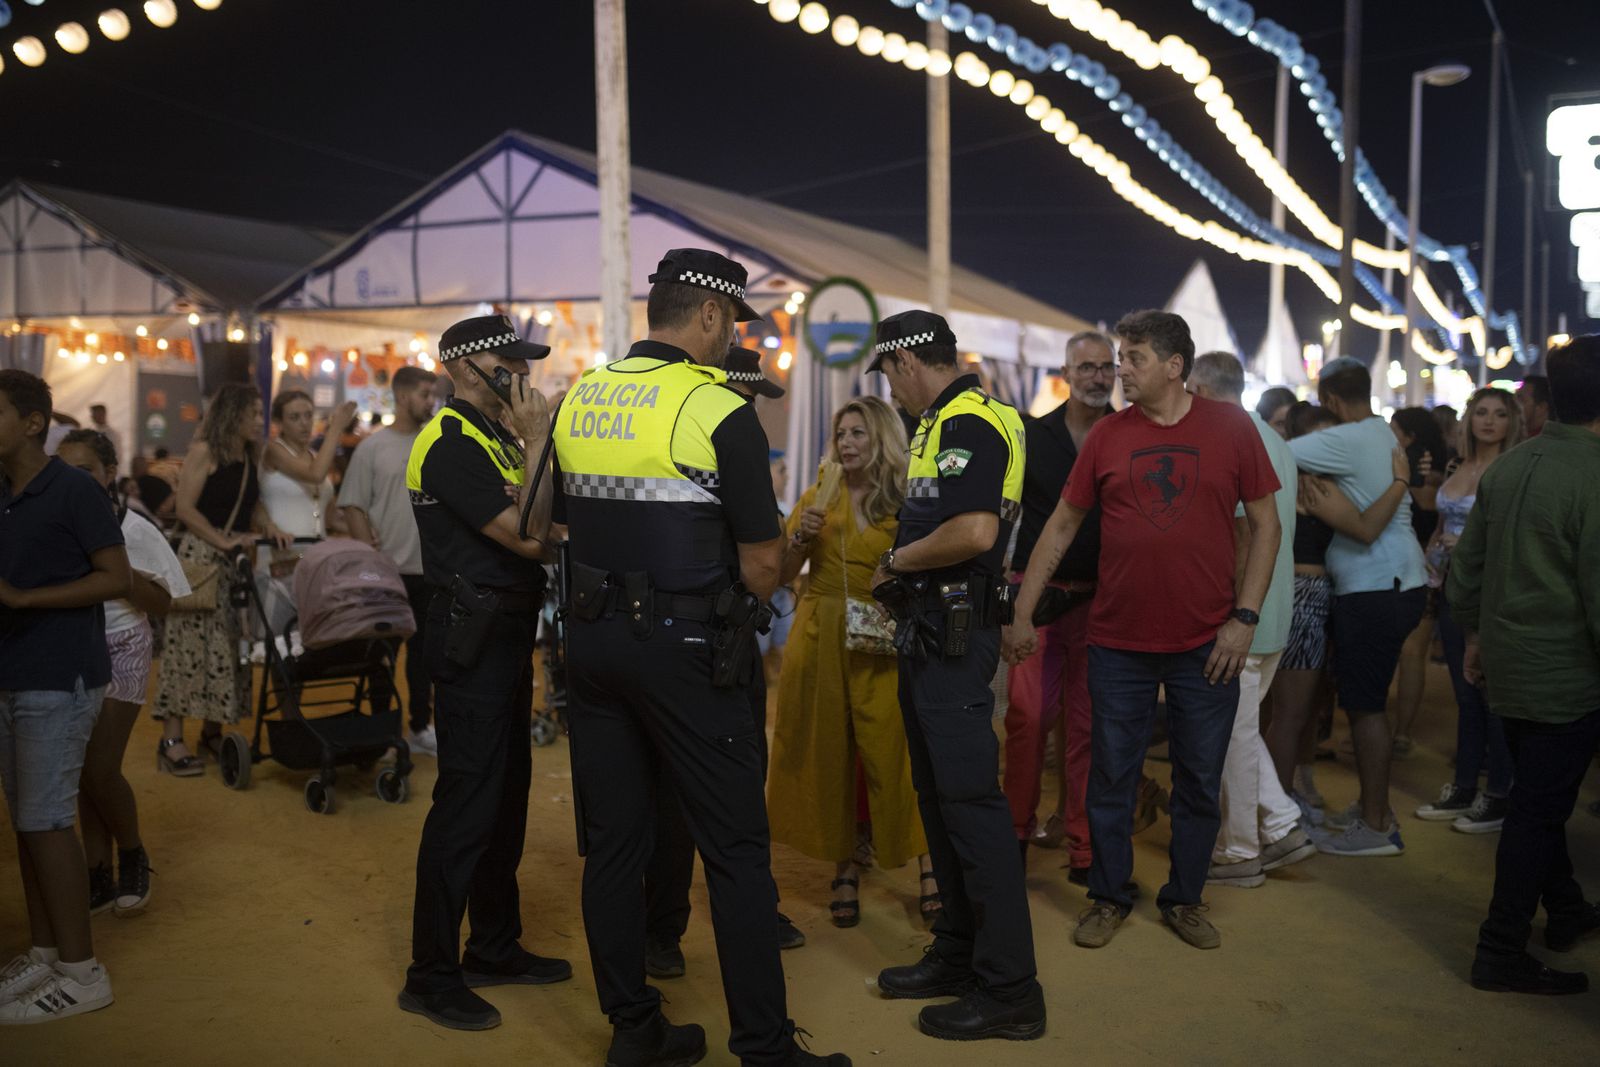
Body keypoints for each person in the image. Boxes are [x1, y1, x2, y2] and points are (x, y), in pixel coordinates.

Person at [551, 250, 847, 1067]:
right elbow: (760, 565)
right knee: (736, 849)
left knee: (615, 844)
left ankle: (634, 1029)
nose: (730, 342)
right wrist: (789, 559)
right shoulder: (716, 408)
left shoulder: (583, 394)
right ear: (711, 316)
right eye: (733, 325)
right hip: (684, 650)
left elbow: (546, 518)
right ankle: (764, 1045)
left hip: (593, 642)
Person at [1008, 311, 1281, 953]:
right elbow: (1062, 525)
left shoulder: (1232, 428)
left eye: (1131, 358)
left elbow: (1266, 527)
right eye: (1117, 359)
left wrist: (1244, 620)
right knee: (1111, 776)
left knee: (1197, 776)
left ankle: (1184, 899)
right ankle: (1108, 895)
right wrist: (1024, 608)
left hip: (1206, 642)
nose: (1119, 370)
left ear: (1174, 366)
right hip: (1117, 642)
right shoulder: (1108, 437)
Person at [866, 309, 1044, 1042]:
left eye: (889, 374)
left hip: (952, 633)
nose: (893, 391)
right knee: (941, 797)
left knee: (969, 803)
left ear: (909, 362)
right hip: (937, 631)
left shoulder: (967, 418)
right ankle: (961, 952)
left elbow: (975, 532)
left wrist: (896, 561)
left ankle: (1009, 989)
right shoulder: (950, 420)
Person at [398, 314, 573, 1031]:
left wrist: (538, 453)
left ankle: (494, 945)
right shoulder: (448, 442)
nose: (522, 374)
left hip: (505, 637)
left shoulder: (494, 436)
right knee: (467, 806)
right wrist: (539, 440)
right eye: (510, 362)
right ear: (465, 367)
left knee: (505, 800)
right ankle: (431, 973)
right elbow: (531, 537)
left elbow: (548, 519)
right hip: (468, 637)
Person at [644, 346, 806, 979]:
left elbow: (765, 553)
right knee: (676, 793)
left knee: (742, 783)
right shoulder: (697, 444)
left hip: (731, 642)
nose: (752, 410)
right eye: (747, 397)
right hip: (694, 640)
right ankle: (661, 927)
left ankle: (753, 908)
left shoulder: (734, 452)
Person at [1450, 335, 1600, 996]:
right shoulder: (1594, 477)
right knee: (1537, 810)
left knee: (1540, 798)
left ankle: (1565, 908)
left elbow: (1464, 576)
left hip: (1509, 667)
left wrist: (1477, 636)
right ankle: (1500, 947)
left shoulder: (1508, 469)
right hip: (1568, 674)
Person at [766, 395, 933, 931]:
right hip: (821, 633)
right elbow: (780, 572)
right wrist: (800, 536)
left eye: (858, 433)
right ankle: (844, 868)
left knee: (896, 749)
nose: (847, 444)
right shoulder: (819, 496)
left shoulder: (905, 501)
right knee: (829, 749)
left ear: (881, 438)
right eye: (841, 435)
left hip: (882, 637)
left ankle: (929, 863)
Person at [0, 369, 129, 1023]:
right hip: (14, 671)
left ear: (30, 422)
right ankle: (47, 951)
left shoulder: (74, 489)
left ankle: (82, 972)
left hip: (62, 675)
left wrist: (26, 598)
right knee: (29, 820)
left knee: (48, 821)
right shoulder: (5, 491)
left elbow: (117, 576)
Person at [1287, 356, 1428, 856]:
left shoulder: (1344, 439)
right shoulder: (1384, 436)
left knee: (1365, 709)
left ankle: (1375, 825)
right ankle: (1377, 810)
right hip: (1398, 580)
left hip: (1376, 587)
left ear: (1327, 399)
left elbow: (1271, 453)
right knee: (1367, 704)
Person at [1003, 330, 1128, 885]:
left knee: (1087, 726)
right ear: (1067, 373)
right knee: (1028, 720)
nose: (1098, 377)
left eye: (1107, 367)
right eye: (1088, 368)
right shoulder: (1033, 436)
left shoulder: (1129, 436)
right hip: (1037, 595)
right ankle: (1015, 836)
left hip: (1102, 600)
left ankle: (1083, 846)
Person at [1188, 353, 1316, 887]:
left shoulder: (1232, 436)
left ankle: (1244, 849)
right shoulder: (1275, 440)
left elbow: (1244, 534)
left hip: (1247, 614)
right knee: (1238, 732)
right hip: (1275, 611)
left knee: (1232, 738)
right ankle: (1273, 829)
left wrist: (1232, 616)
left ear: (1198, 386)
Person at [55, 431, 187, 918]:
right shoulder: (53, 523)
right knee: (82, 772)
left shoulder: (136, 529)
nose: (72, 479)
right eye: (62, 467)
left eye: (85, 469)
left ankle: (132, 853)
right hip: (69, 648)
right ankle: (97, 871)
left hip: (124, 644)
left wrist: (116, 572)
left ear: (109, 474)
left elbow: (165, 604)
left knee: (98, 766)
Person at [1264, 404, 1413, 815]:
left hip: (1318, 596)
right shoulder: (1310, 483)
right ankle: (1278, 812)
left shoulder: (1318, 478)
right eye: (1326, 439)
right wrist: (1401, 482)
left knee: (1304, 708)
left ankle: (1289, 795)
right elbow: (1365, 529)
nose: (1335, 447)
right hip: (1305, 596)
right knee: (1291, 713)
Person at [149, 384, 283, 773]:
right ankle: (170, 741)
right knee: (186, 649)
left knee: (225, 649)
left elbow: (250, 505)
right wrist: (226, 541)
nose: (260, 421)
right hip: (202, 559)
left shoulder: (248, 456)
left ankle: (211, 730)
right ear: (233, 414)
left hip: (234, 562)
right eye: (255, 414)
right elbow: (186, 510)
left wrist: (268, 525)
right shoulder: (204, 451)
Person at [1415, 387, 1524, 832]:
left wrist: (1470, 545)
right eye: (1481, 412)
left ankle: (1498, 793)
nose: (1489, 421)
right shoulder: (1459, 464)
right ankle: (1464, 785)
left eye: (1499, 413)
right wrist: (1433, 550)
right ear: (1469, 418)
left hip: (1491, 591)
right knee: (1464, 691)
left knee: (1490, 694)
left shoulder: (1514, 468)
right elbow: (1442, 521)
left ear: (1511, 421)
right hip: (1450, 587)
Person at [339, 367, 439, 757]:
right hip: (388, 573)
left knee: (424, 657)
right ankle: (382, 728)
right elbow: (352, 504)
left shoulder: (435, 442)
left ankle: (419, 725)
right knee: (381, 656)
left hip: (429, 569)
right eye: (425, 394)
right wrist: (371, 557)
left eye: (433, 394)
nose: (431, 401)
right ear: (402, 395)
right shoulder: (372, 448)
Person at [1386, 406, 1448, 758]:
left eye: (1393, 428)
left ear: (1407, 435)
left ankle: (1393, 730)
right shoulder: (1436, 465)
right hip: (1425, 569)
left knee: (1406, 653)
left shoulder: (1412, 467)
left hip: (1411, 568)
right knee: (1412, 654)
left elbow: (1424, 505)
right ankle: (1400, 733)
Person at [260, 390, 358, 540]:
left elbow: (330, 518)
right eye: (295, 417)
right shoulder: (274, 450)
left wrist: (366, 531)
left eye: (308, 415)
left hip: (315, 554)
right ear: (279, 423)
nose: (304, 423)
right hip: (281, 552)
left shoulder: (316, 457)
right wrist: (336, 427)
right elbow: (315, 475)